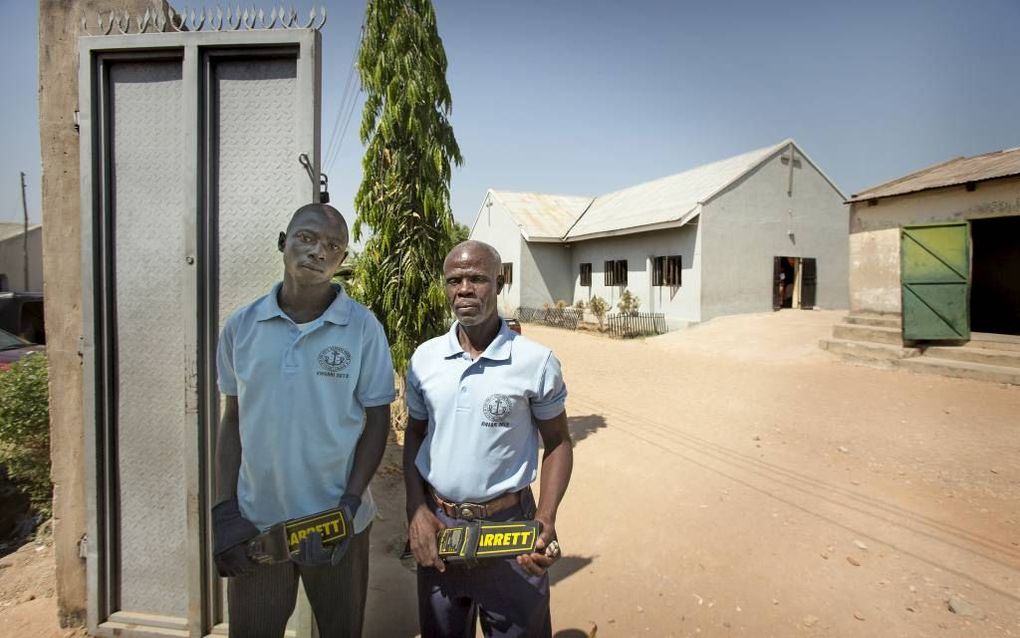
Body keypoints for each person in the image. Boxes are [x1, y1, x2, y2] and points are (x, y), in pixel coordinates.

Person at [212, 203, 395, 637]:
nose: (317, 252)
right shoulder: (242, 327)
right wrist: (226, 513)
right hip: (258, 524)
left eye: (332, 246)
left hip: (337, 525)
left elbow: (376, 421)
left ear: (342, 261)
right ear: (283, 242)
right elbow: (233, 419)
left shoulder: (363, 328)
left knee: (340, 629)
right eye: (306, 238)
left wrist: (349, 507)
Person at [403, 240, 573, 637]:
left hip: (509, 531)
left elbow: (559, 441)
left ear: (500, 282)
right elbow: (414, 433)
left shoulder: (536, 361)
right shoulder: (425, 359)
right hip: (440, 530)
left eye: (477, 279)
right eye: (454, 280)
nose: (464, 289)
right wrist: (416, 510)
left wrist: (545, 517)